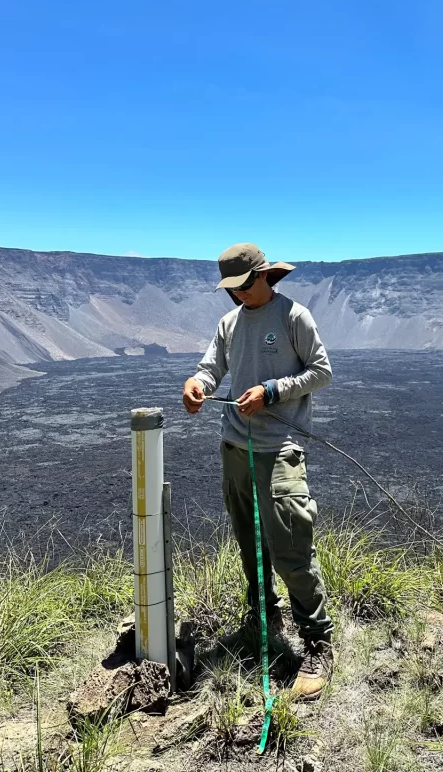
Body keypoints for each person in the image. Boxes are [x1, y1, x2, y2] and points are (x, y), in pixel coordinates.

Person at [182, 242, 334, 700]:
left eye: (244, 285)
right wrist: (196, 385)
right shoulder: (229, 323)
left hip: (279, 449)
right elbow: (211, 368)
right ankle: (263, 617)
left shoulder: (294, 317)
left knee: (290, 543)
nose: (237, 295)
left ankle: (318, 641)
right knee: (250, 541)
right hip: (234, 448)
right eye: (232, 288)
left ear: (264, 277)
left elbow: (322, 371)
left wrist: (271, 391)